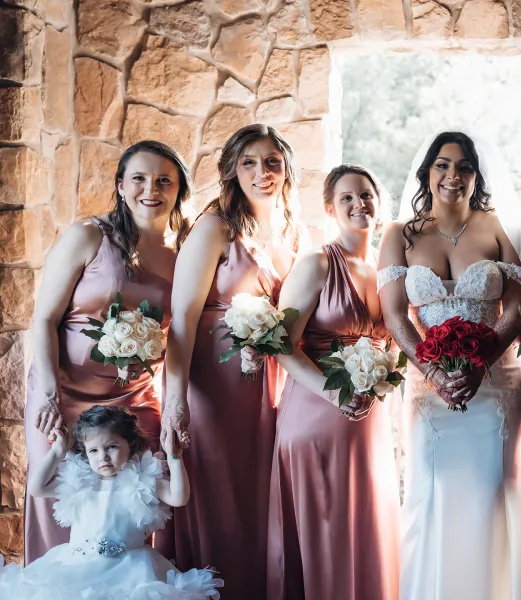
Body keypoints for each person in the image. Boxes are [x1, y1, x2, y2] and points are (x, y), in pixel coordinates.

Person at [377, 131, 521, 599]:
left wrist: (481, 359)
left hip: (495, 386)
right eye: (443, 165)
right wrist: (433, 372)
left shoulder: (494, 227)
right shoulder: (399, 234)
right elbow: (393, 316)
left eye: (464, 166)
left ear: (475, 175)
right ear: (427, 171)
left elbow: (517, 310)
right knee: (431, 493)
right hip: (432, 393)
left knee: (489, 493)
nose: (453, 175)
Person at [157, 124, 305, 600]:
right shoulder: (214, 227)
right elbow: (181, 318)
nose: (262, 173)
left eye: (272, 162)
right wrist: (174, 400)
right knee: (217, 497)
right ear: (231, 171)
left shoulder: (294, 232)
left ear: (285, 169)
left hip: (269, 386)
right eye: (249, 163)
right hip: (212, 387)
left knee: (257, 501)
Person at [24, 140, 190, 562]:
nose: (150, 189)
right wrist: (47, 393)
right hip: (61, 394)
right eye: (138, 178)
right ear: (120, 185)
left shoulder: (182, 259)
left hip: (134, 402)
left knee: (133, 509)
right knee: (59, 504)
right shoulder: (88, 236)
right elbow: (44, 319)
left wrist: (174, 403)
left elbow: (179, 338)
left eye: (164, 180)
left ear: (178, 191)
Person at [267, 164, 400, 600]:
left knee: (364, 525)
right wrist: (332, 391)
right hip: (316, 412)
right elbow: (280, 344)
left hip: (367, 418)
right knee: (324, 530)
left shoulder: (386, 268)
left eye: (366, 194)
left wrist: (382, 378)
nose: (359, 203)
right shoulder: (317, 263)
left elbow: (395, 339)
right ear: (330, 208)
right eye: (347, 197)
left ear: (380, 204)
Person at [0, 405, 223, 599]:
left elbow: (178, 497)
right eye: (93, 450)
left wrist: (175, 457)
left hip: (131, 569)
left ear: (131, 443)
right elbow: (37, 488)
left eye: (112, 447)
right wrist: (58, 450)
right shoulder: (80, 480)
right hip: (78, 567)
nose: (103, 457)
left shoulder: (144, 478)